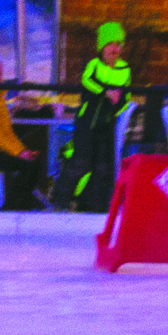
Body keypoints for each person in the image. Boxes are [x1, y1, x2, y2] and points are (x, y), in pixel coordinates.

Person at [57, 21, 132, 212]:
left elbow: (127, 95)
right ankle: (60, 200)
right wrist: (105, 92)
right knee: (81, 163)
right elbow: (87, 80)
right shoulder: (94, 65)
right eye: (110, 44)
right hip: (87, 123)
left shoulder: (124, 69)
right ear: (101, 47)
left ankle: (90, 205)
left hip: (106, 125)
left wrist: (119, 102)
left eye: (118, 44)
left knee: (102, 168)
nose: (114, 49)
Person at [0, 59, 47, 209]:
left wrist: (22, 151)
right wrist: (18, 152)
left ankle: (19, 204)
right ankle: (12, 207)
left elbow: (7, 133)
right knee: (29, 165)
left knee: (33, 161)